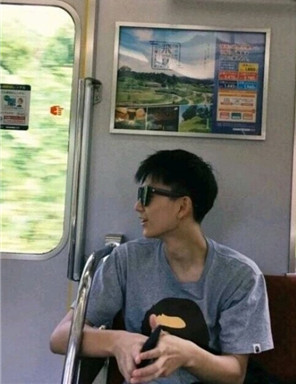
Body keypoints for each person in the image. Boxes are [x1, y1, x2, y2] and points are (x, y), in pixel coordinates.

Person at [50, 149, 273, 384]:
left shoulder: (240, 276)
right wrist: (117, 341)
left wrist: (188, 354)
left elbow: (235, 373)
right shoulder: (126, 260)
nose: (138, 206)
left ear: (182, 207)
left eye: (147, 195)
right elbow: (60, 337)